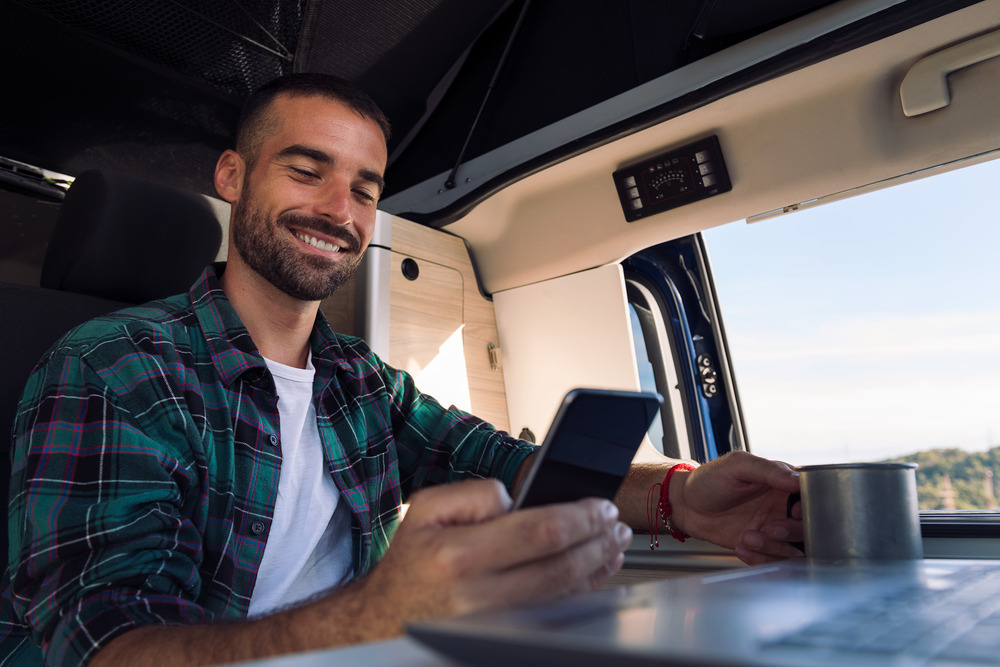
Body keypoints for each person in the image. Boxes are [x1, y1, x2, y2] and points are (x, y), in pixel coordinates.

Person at [1, 73, 802, 667]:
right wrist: (374, 616)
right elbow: (103, 646)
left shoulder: (363, 382)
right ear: (233, 177)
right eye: (306, 171)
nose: (338, 211)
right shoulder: (112, 368)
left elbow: (515, 466)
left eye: (363, 189)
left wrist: (682, 499)